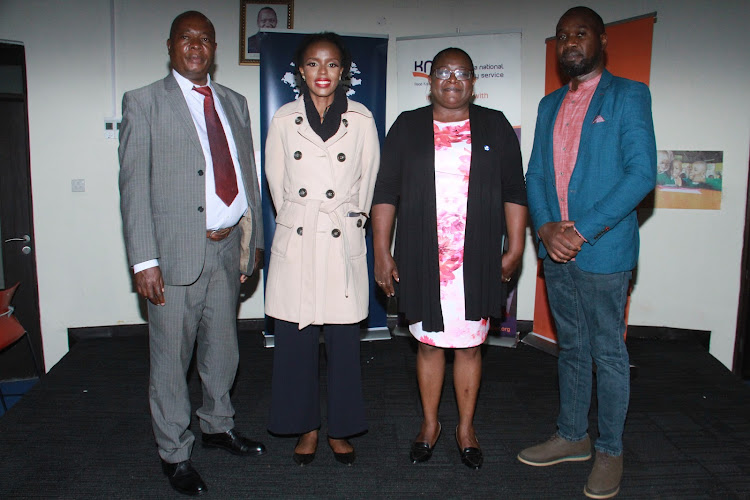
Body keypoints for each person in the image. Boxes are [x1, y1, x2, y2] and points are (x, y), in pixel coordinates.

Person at [118, 10, 266, 496]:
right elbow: (134, 187)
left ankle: (218, 425)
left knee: (223, 349)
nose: (196, 45)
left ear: (215, 48)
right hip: (174, 257)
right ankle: (175, 452)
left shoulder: (235, 102)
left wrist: (253, 241)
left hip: (227, 253)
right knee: (170, 360)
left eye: (205, 39)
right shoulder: (143, 104)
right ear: (170, 45)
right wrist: (144, 261)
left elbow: (246, 174)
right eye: (187, 38)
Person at [518, 6, 656, 499]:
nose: (569, 41)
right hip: (555, 251)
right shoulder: (547, 104)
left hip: (603, 251)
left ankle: (610, 449)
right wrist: (547, 227)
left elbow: (641, 175)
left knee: (607, 352)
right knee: (570, 347)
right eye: (561, 35)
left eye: (580, 33)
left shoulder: (629, 95)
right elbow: (535, 174)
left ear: (601, 41)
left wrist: (581, 230)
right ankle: (572, 436)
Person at [371, 47, 528, 470]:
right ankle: (429, 425)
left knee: (470, 348)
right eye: (443, 72)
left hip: (475, 259)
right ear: (430, 81)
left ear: (474, 82)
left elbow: (515, 190)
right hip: (423, 256)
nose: (453, 80)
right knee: (428, 345)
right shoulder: (407, 126)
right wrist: (382, 252)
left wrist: (514, 247)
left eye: (462, 73)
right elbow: (385, 192)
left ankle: (465, 428)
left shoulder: (494, 125)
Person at [264, 32, 380, 466]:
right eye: (313, 64)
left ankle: (342, 428)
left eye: (332, 64)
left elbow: (367, 182)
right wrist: (299, 218)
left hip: (340, 234)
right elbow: (277, 184)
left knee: (344, 342)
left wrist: (351, 221)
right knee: (296, 343)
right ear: (300, 71)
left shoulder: (363, 120)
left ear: (344, 70)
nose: (323, 73)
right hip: (299, 235)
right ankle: (305, 425)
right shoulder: (283, 119)